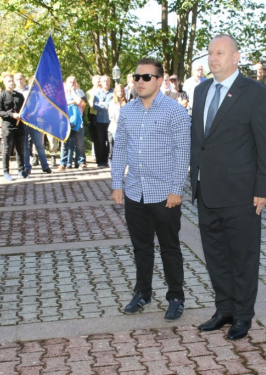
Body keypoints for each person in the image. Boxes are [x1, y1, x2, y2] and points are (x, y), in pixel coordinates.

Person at [190, 35, 266, 341]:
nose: (213, 58)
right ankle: (224, 309)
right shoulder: (201, 90)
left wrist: (263, 188)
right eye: (210, 53)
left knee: (243, 257)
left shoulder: (254, 93)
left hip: (242, 193)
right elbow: (198, 140)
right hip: (206, 191)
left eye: (220, 53)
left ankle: (242, 315)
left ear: (236, 57)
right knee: (215, 256)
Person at [111, 58, 191, 321]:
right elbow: (120, 147)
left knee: (169, 247)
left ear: (159, 80)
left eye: (146, 77)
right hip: (135, 190)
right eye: (137, 77)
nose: (140, 82)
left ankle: (176, 297)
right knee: (141, 247)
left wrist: (176, 189)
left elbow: (183, 153)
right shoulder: (128, 111)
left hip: (165, 193)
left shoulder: (174, 111)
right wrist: (116, 184)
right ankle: (143, 293)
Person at [15, 72, 52, 175]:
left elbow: (38, 104)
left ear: (24, 79)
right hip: (21, 122)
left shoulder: (32, 90)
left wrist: (33, 114)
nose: (19, 81)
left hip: (33, 121)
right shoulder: (14, 93)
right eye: (17, 79)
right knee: (25, 146)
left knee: (39, 144)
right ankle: (27, 167)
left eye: (21, 79)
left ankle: (45, 166)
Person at [0, 73, 27, 181]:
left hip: (19, 126)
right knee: (7, 149)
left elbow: (25, 109)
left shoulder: (19, 96)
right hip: (7, 126)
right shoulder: (2, 96)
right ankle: (6, 171)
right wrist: (11, 115)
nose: (11, 83)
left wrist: (22, 115)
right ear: (4, 83)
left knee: (20, 149)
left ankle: (21, 170)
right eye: (9, 81)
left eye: (12, 81)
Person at [58, 76, 87, 170]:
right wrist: (72, 102)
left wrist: (73, 92)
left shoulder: (79, 92)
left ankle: (82, 162)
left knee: (80, 143)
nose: (72, 84)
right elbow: (60, 104)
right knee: (65, 143)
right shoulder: (61, 93)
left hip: (78, 120)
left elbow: (79, 101)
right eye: (70, 82)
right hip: (65, 120)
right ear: (66, 83)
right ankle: (63, 163)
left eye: (74, 82)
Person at [93, 75, 114, 168]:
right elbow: (95, 106)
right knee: (101, 141)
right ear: (101, 82)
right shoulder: (97, 93)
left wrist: (103, 103)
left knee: (110, 141)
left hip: (111, 121)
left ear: (110, 82)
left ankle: (111, 160)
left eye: (107, 81)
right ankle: (102, 161)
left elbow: (114, 103)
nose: (106, 82)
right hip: (100, 120)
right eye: (104, 81)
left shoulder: (114, 92)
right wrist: (106, 106)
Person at [87, 75, 102, 167]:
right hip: (94, 116)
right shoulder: (89, 92)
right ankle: (99, 159)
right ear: (93, 82)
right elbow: (92, 105)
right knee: (97, 139)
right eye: (98, 81)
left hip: (106, 116)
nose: (100, 83)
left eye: (100, 81)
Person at [107, 83, 126, 151]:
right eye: (118, 91)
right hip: (115, 128)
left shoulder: (126, 102)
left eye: (121, 91)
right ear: (115, 92)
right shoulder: (112, 103)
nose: (120, 93)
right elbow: (112, 116)